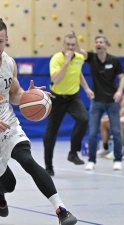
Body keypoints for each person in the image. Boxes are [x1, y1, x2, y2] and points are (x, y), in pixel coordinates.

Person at [0, 18, 77, 225]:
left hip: (6, 121)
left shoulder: (9, 63)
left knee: (27, 160)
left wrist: (29, 96)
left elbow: (13, 94)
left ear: (6, 40)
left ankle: (61, 210)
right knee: (9, 184)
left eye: (0, 41)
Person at [43, 33, 93, 176]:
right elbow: (56, 80)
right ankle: (48, 166)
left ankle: (73, 153)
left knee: (84, 119)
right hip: (57, 98)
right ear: (63, 45)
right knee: (50, 134)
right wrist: (66, 62)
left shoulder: (79, 58)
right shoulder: (56, 59)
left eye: (73, 45)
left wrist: (87, 88)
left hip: (73, 97)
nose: (70, 47)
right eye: (68, 45)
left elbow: (78, 73)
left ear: (76, 46)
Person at [76, 34, 124, 171]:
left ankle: (118, 159)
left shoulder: (114, 60)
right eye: (96, 42)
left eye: (101, 42)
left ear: (106, 45)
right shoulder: (92, 58)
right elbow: (80, 52)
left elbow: (122, 78)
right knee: (92, 133)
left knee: (116, 131)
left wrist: (120, 91)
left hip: (112, 101)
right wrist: (75, 42)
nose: (98, 44)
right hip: (96, 101)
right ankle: (91, 161)